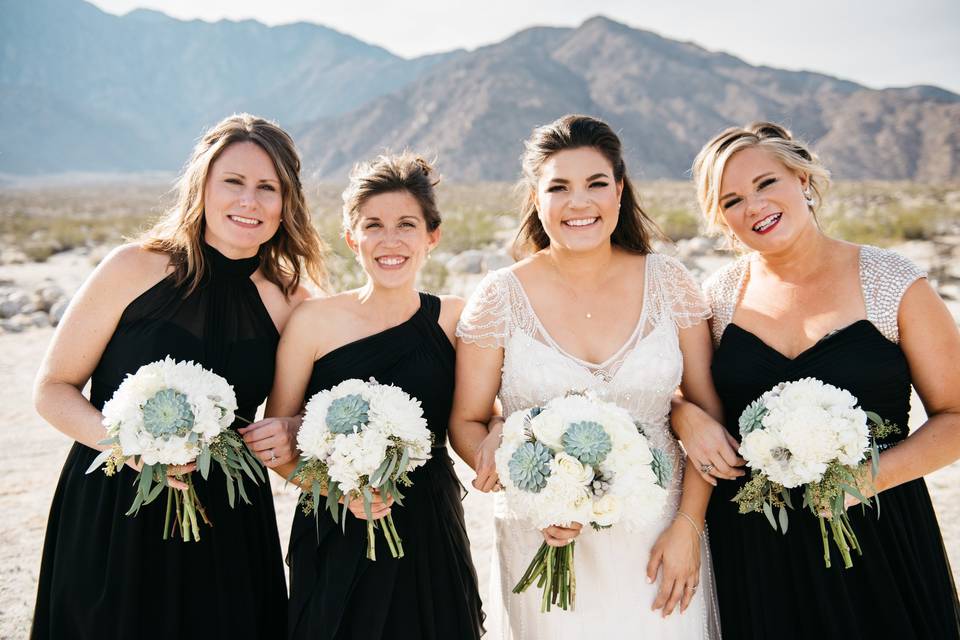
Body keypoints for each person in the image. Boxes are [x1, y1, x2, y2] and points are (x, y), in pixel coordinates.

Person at [30, 113, 326, 640]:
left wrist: (292, 428)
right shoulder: (132, 268)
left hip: (229, 522)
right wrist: (127, 446)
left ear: (287, 203)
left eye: (267, 188)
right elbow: (53, 390)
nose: (249, 202)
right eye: (232, 182)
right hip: (115, 506)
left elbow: (314, 412)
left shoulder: (292, 302)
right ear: (202, 187)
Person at [671, 121, 960, 639]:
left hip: (877, 533)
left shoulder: (892, 282)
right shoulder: (714, 300)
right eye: (732, 200)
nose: (754, 207)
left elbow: (957, 416)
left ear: (802, 179)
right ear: (721, 220)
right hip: (756, 547)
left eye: (766, 184)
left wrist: (868, 479)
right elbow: (684, 390)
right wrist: (683, 415)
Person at [450, 114, 722, 639]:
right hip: (545, 541)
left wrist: (688, 528)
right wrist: (530, 492)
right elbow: (467, 421)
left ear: (619, 191)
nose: (580, 203)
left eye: (596, 184)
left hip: (659, 541)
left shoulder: (670, 282)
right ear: (536, 197)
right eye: (559, 188)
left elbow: (708, 415)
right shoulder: (500, 297)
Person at [265, 152, 485, 640]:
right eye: (373, 225)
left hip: (429, 525)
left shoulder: (455, 319)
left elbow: (480, 417)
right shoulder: (313, 322)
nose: (390, 240)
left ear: (432, 236)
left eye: (407, 224)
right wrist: (340, 493)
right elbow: (275, 443)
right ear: (351, 237)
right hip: (336, 527)